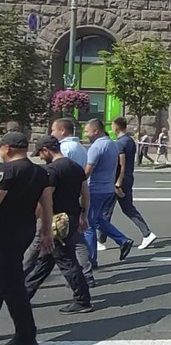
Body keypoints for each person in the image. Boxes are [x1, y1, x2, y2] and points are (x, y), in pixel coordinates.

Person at [24, 135, 93, 314]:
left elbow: (45, 200)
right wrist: (83, 215)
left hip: (56, 221)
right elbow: (85, 193)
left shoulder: (52, 170)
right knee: (45, 261)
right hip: (71, 217)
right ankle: (24, 295)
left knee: (66, 260)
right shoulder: (75, 167)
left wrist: (36, 220)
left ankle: (83, 300)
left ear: (46, 150)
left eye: (40, 153)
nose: (40, 157)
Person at [0, 132, 53, 345]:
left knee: (12, 284)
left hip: (4, 232)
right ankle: (26, 334)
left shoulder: (7, 170)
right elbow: (47, 203)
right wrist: (47, 231)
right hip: (25, 230)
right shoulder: (39, 172)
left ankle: (26, 335)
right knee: (7, 280)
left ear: (7, 148)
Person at [46, 117, 95, 287]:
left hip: (62, 203)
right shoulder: (80, 147)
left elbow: (61, 173)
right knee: (77, 239)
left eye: (53, 130)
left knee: (55, 244)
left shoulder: (65, 149)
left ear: (62, 131)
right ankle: (86, 274)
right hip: (76, 197)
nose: (52, 133)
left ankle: (77, 277)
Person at [98, 117, 156, 251]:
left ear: (116, 127)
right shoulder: (130, 141)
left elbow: (121, 164)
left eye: (112, 125)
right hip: (128, 178)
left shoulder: (120, 143)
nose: (111, 127)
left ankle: (100, 240)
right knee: (128, 208)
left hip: (119, 179)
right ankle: (147, 233)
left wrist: (117, 183)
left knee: (106, 211)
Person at [82, 119, 133, 267]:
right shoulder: (112, 144)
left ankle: (91, 260)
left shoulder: (96, 147)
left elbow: (87, 171)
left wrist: (76, 183)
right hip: (108, 189)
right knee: (98, 219)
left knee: (89, 224)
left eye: (87, 131)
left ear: (96, 130)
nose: (85, 134)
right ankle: (122, 240)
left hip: (95, 190)